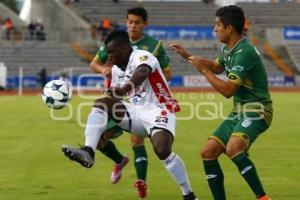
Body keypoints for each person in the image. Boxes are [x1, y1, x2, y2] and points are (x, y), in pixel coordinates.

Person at [61, 30, 198, 200]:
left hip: (159, 109)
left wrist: (122, 89)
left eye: (112, 52)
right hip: (135, 113)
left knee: (162, 150)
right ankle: (88, 151)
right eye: (107, 53)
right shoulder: (117, 70)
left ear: (125, 48)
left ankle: (188, 195)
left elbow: (141, 73)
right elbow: (118, 95)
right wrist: (110, 99)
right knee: (101, 103)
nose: (108, 57)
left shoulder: (142, 56)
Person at [170, 5, 272, 200]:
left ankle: (263, 198)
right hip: (239, 111)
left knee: (233, 148)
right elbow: (217, 67)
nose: (214, 29)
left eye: (217, 25)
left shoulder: (245, 52)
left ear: (229, 28)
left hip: (258, 110)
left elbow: (227, 90)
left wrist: (203, 70)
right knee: (208, 152)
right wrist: (188, 56)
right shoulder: (228, 49)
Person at [90, 6, 172, 199]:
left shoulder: (154, 45)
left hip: (140, 102)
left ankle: (141, 182)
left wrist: (148, 83)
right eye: (130, 22)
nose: (133, 26)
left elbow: (168, 73)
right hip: (115, 99)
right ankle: (119, 160)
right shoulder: (115, 42)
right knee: (99, 140)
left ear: (145, 24)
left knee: (137, 139)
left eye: (137, 22)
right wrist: (103, 70)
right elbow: (94, 64)